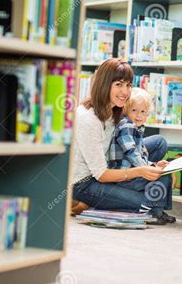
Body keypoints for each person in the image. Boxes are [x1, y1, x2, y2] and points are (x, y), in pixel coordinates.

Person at [71, 58, 174, 225]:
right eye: (119, 84)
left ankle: (116, 198)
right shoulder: (88, 119)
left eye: (128, 85)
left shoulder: (116, 109)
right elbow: (101, 174)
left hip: (112, 162)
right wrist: (140, 171)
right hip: (87, 183)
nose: (125, 92)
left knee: (159, 143)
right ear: (104, 84)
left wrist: (151, 165)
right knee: (148, 202)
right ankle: (90, 203)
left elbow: (129, 145)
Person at [106, 87, 175, 222]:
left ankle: (158, 211)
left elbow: (141, 154)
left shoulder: (136, 128)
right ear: (126, 110)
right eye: (134, 111)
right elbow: (131, 152)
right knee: (162, 178)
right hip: (124, 178)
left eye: (143, 112)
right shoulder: (126, 126)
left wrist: (154, 164)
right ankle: (155, 213)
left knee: (164, 175)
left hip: (132, 173)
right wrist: (147, 169)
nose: (139, 115)